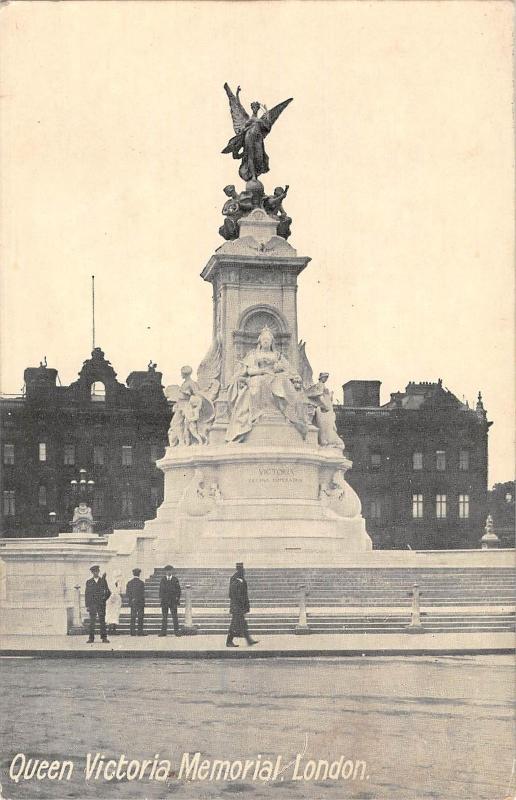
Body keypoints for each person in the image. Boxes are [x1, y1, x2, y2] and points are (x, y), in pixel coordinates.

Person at [226, 563, 258, 648]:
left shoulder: (241, 579)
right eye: (242, 570)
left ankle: (249, 640)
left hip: (239, 607)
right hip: (237, 607)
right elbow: (232, 594)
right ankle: (229, 642)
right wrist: (240, 602)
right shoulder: (235, 579)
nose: (244, 571)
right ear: (239, 570)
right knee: (235, 624)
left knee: (242, 623)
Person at [85, 565, 111, 644]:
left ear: (99, 571)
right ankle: (91, 638)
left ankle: (104, 638)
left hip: (101, 604)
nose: (96, 573)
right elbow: (87, 594)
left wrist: (104, 599)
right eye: (94, 572)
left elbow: (108, 592)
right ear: (92, 572)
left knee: (102, 621)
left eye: (97, 571)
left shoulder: (103, 581)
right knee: (92, 622)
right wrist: (87, 605)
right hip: (92, 605)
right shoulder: (89, 582)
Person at [159, 565, 181, 637]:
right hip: (165, 601)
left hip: (172, 601)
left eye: (170, 570)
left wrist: (177, 598)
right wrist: (162, 599)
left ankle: (176, 632)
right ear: (165, 571)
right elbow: (161, 591)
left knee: (175, 617)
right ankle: (163, 632)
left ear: (172, 571)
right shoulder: (163, 580)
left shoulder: (175, 579)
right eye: (167, 571)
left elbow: (178, 590)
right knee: (164, 617)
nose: (169, 572)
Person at [126, 568, 146, 637]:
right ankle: (140, 632)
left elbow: (127, 593)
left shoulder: (129, 583)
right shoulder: (141, 583)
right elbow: (142, 593)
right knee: (140, 617)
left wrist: (132, 599)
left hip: (133, 602)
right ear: (139, 574)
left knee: (133, 617)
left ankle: (132, 632)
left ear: (133, 574)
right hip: (140, 602)